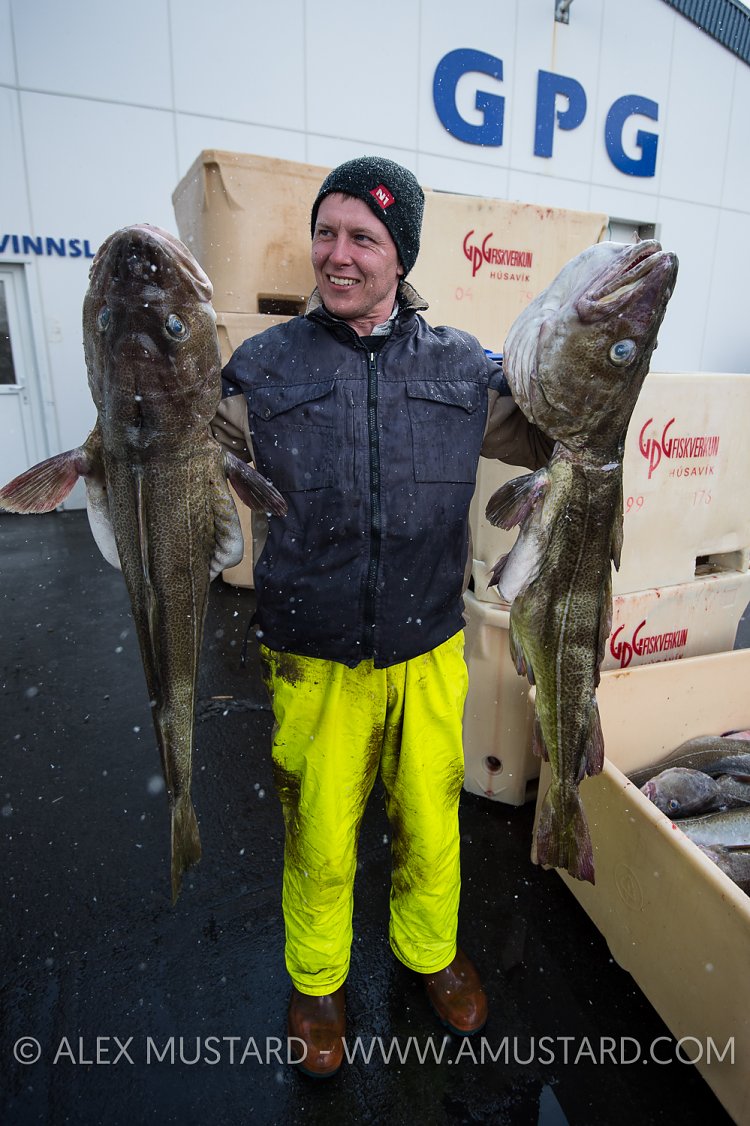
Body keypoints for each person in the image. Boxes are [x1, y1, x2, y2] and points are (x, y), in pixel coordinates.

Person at [212, 156, 552, 1078]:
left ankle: (428, 951)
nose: (339, 254)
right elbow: (178, 441)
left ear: (399, 255)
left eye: (363, 236)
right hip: (310, 650)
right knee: (318, 827)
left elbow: (554, 429)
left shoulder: (461, 367)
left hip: (428, 644)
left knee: (432, 819)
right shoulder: (263, 366)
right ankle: (318, 978)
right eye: (327, 232)